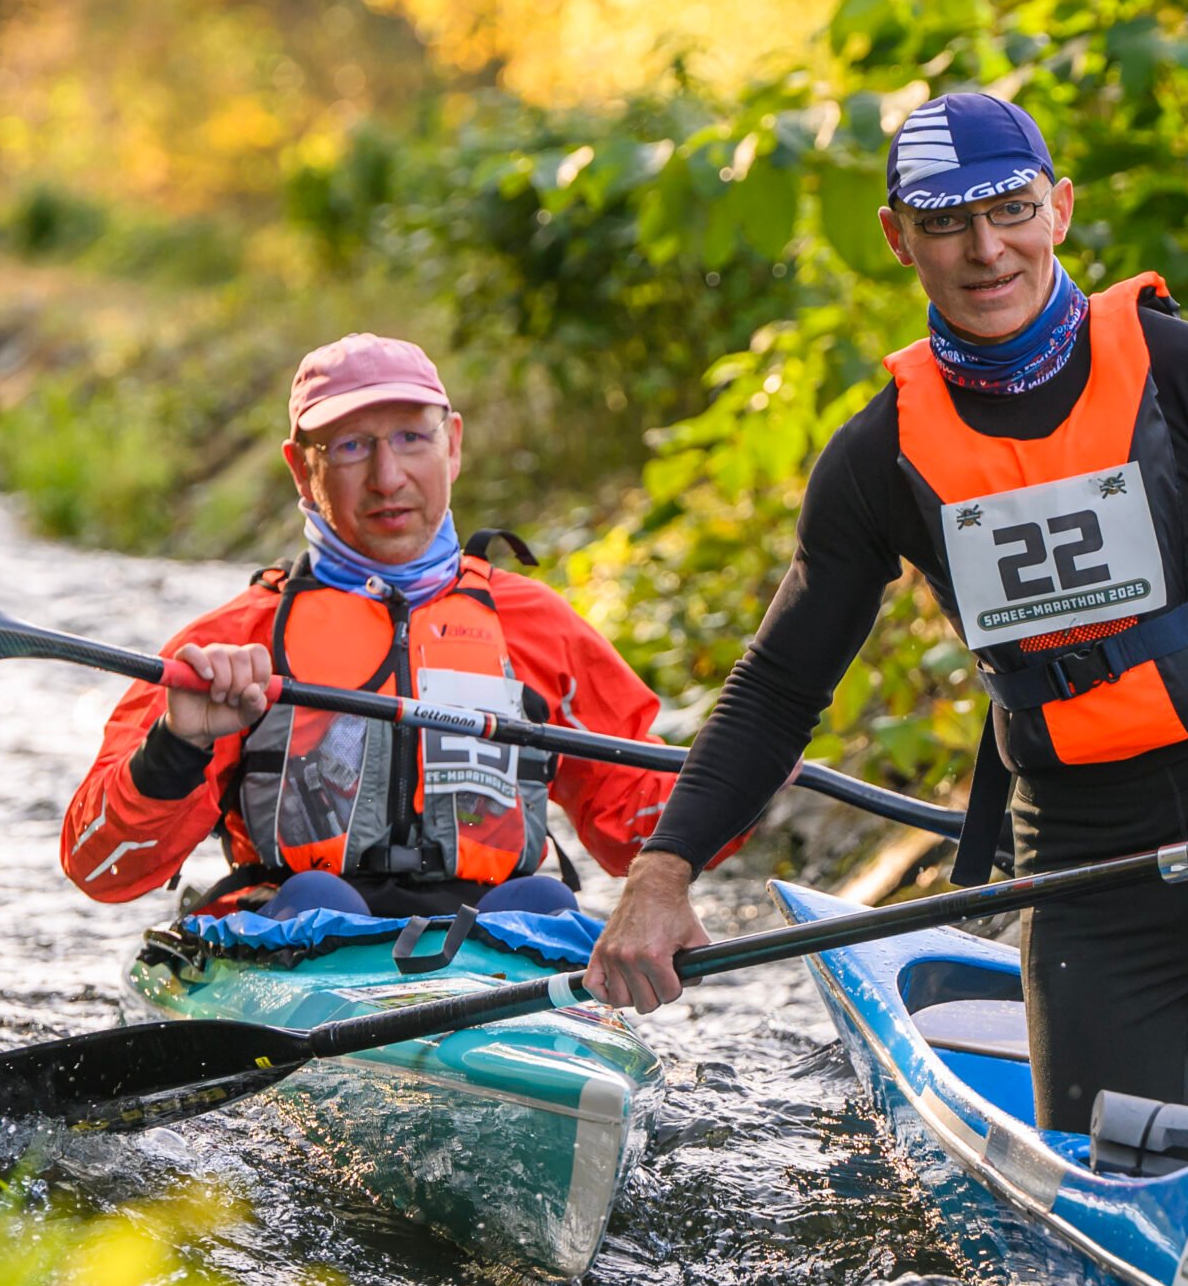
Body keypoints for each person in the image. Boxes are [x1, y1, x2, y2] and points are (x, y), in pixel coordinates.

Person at [585, 94, 1188, 1235]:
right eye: (946, 223)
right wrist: (662, 872)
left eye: (1010, 210)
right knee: (1108, 1210)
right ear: (898, 239)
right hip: (1088, 864)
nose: (986, 249)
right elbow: (778, 689)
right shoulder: (879, 456)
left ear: (1060, 209)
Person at [62, 332, 729, 921]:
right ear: (302, 470)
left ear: (453, 445)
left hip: (493, 948)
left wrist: (744, 776)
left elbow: (636, 827)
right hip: (297, 938)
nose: (388, 477)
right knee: (322, 900)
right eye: (351, 446)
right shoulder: (232, 645)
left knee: (543, 904)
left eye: (412, 438)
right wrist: (178, 744)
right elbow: (100, 867)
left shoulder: (537, 628)